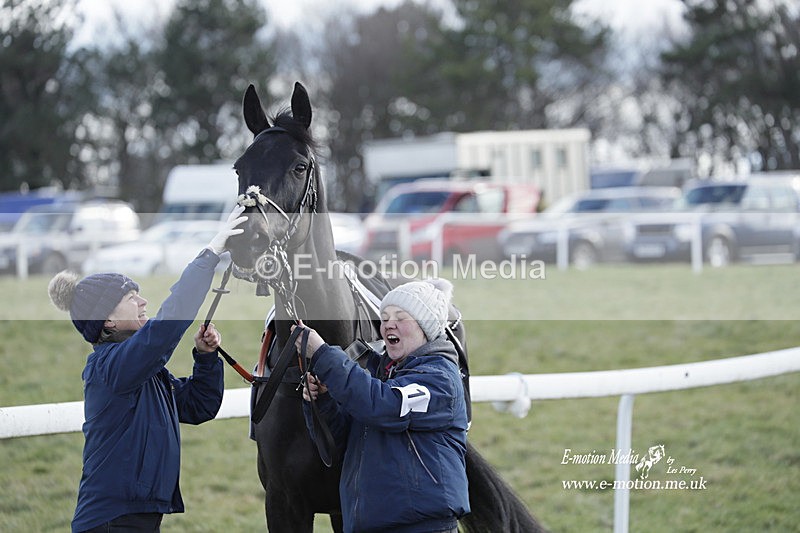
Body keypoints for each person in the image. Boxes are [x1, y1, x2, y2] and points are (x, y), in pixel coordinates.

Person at [47, 206, 247, 533]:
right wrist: (210, 254)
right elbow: (164, 330)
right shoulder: (110, 366)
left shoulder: (142, 371)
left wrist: (205, 357)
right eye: (130, 297)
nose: (142, 302)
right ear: (108, 320)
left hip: (133, 520)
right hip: (111, 524)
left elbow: (199, 406)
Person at [294, 278, 470, 533]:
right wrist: (324, 400)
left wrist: (322, 354)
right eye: (385, 317)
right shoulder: (381, 376)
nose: (389, 323)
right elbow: (339, 442)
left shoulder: (439, 378)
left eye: (400, 316)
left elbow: (385, 406)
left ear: (426, 327)